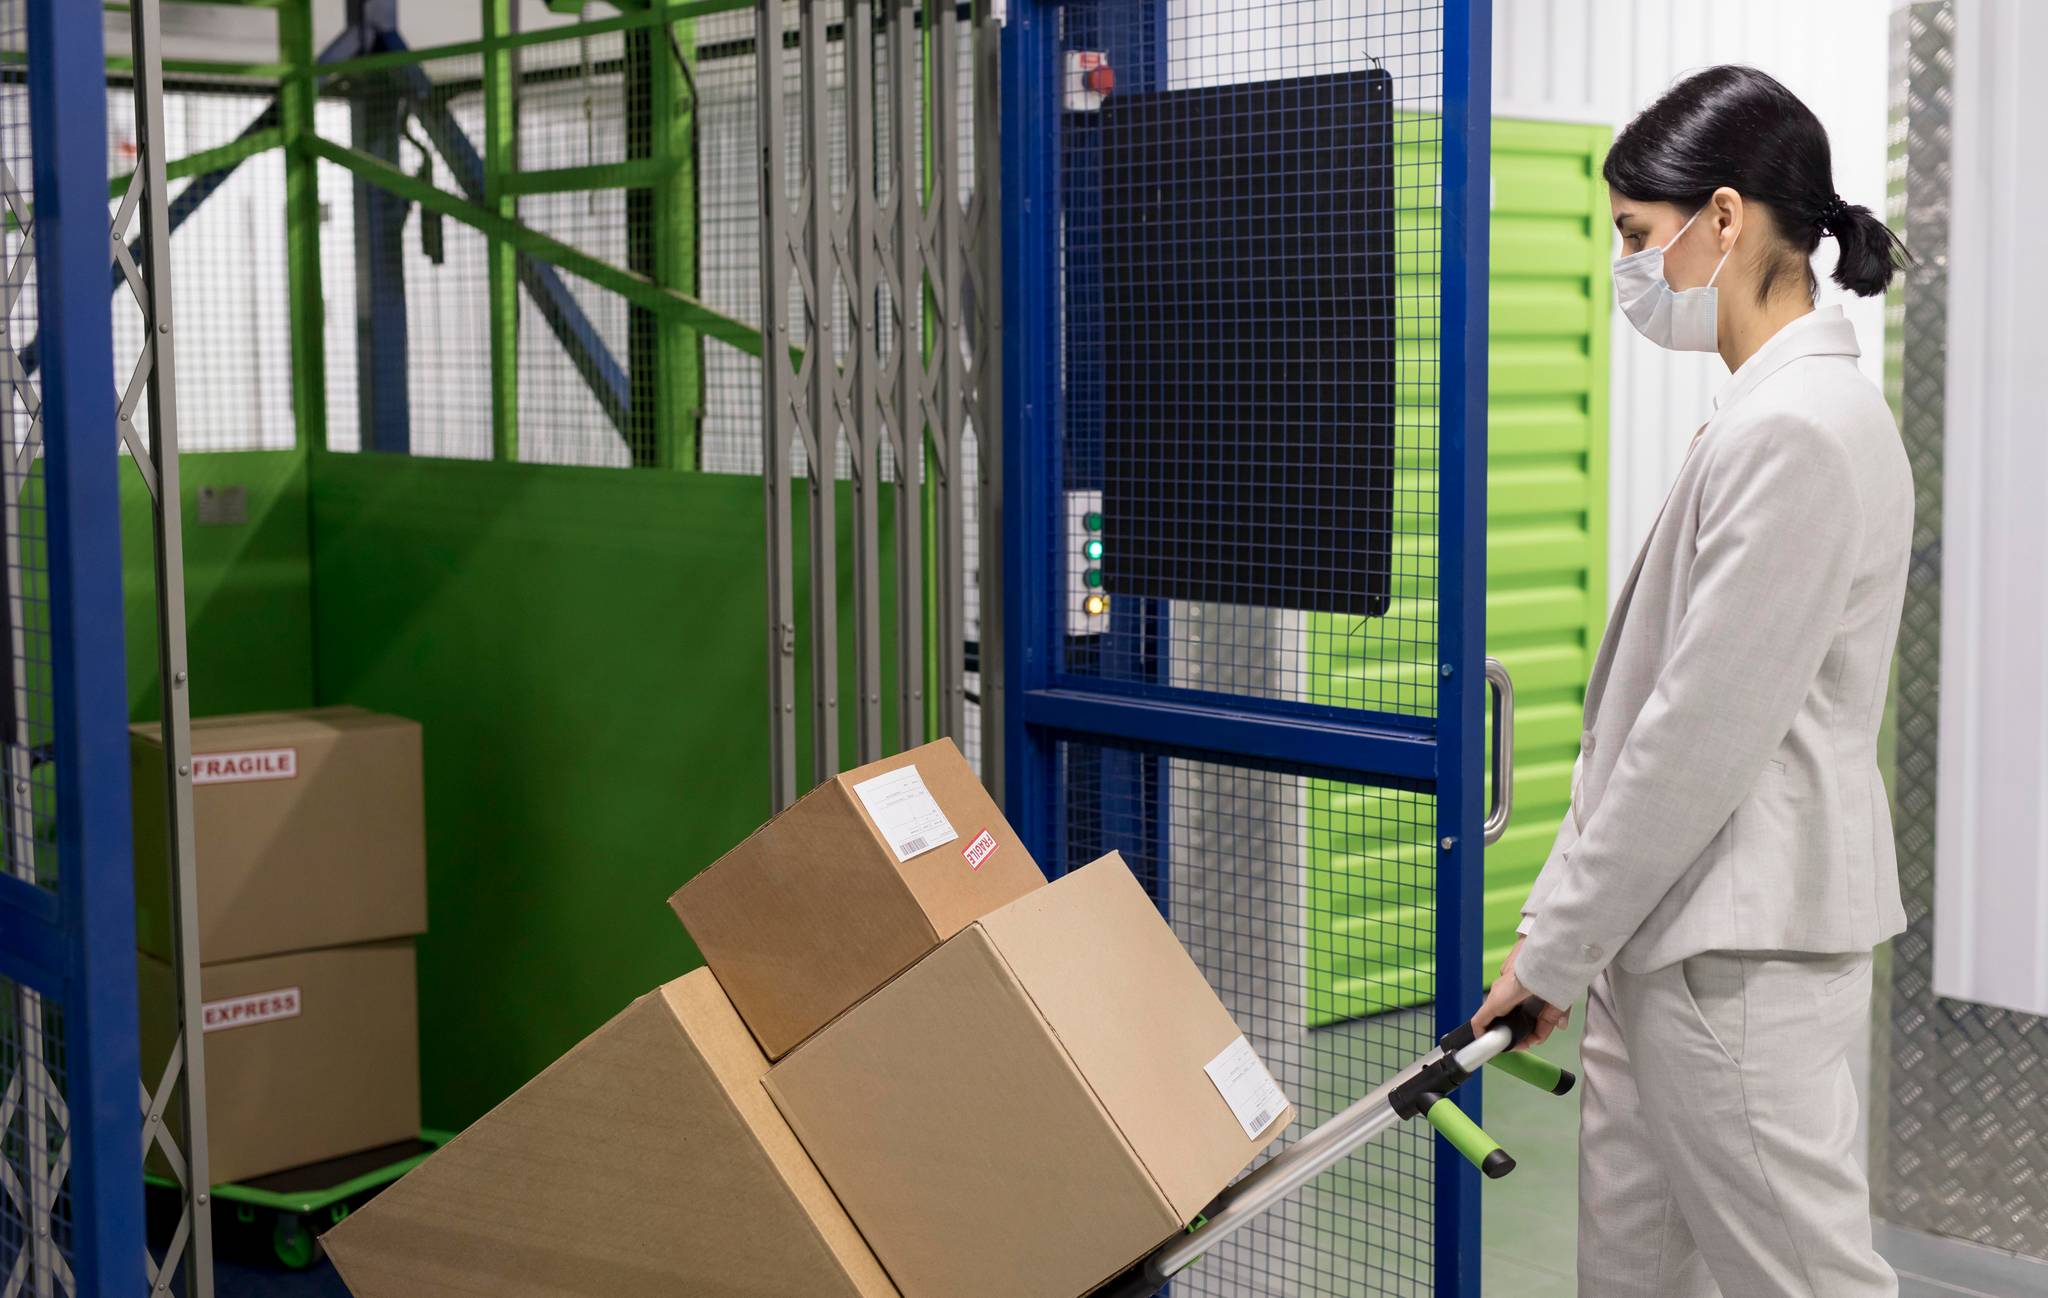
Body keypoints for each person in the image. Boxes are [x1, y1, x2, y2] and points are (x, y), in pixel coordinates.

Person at [1467, 65, 1914, 1297]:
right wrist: (1562, 940)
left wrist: (1555, 945)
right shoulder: (1760, 413)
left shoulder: (1801, 430)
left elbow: (1693, 742)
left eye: (1634, 237)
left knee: (1799, 1273)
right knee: (1633, 1270)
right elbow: (1641, 731)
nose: (1627, 272)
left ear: (1723, 220)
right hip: (1666, 942)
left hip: (1735, 954)